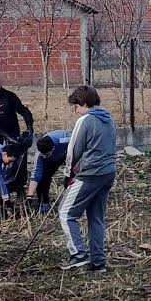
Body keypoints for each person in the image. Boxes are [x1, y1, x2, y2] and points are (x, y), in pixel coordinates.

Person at [58, 85, 117, 273]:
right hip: (108, 173)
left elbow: (73, 150)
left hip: (90, 174)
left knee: (66, 213)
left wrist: (68, 174)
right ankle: (98, 262)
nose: (75, 111)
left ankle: (78, 255)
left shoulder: (85, 121)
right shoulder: (109, 119)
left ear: (83, 103)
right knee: (96, 218)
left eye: (76, 106)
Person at [0, 73, 34, 196]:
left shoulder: (9, 96)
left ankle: (19, 186)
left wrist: (30, 128)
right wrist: (3, 134)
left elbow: (24, 112)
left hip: (12, 132)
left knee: (18, 160)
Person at [27, 131, 71, 213]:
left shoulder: (66, 140)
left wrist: (69, 173)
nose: (44, 156)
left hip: (67, 154)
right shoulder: (40, 155)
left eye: (46, 154)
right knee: (43, 179)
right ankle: (44, 203)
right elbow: (35, 175)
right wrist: (30, 196)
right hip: (52, 160)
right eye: (42, 154)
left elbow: (79, 147)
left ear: (53, 148)